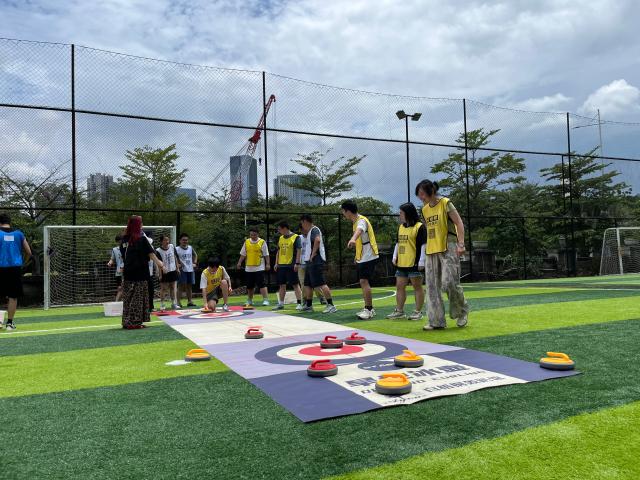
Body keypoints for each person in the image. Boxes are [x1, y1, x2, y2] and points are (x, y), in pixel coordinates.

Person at [415, 179, 469, 330]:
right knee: (432, 286)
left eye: (422, 194)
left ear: (431, 191)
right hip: (431, 250)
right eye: (419, 194)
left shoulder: (446, 203)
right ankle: (436, 321)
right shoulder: (425, 210)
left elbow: (459, 223)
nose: (420, 197)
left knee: (449, 282)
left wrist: (461, 243)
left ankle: (462, 312)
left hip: (448, 246)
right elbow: (429, 230)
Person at [121, 216, 164, 329]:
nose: (142, 225)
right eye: (141, 223)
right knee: (138, 298)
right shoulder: (141, 239)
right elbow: (151, 253)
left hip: (128, 273)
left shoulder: (124, 239)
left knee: (128, 298)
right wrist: (159, 263)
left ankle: (127, 321)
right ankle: (134, 323)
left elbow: (123, 255)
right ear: (138, 225)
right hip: (140, 273)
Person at [387, 203, 427, 321]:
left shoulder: (420, 227)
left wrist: (422, 261)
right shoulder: (401, 227)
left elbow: (424, 244)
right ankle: (399, 311)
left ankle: (417, 312)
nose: (399, 215)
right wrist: (394, 256)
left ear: (408, 213)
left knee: (417, 287)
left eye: (401, 213)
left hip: (414, 263)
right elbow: (398, 243)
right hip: (402, 263)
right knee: (399, 287)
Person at [342, 200, 379, 320]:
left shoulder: (361, 220)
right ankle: (368, 308)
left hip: (368, 256)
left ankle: (369, 309)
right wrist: (357, 256)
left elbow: (359, 231)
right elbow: (360, 241)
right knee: (363, 282)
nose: (343, 214)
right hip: (363, 256)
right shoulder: (356, 222)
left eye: (343, 211)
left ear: (348, 211)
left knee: (364, 281)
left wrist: (352, 239)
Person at [0, 213, 32, 330]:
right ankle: (9, 323)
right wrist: (23, 262)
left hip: (1, 267)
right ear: (9, 222)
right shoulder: (19, 234)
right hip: (15, 268)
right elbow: (29, 252)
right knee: (13, 296)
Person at [299, 214, 336, 314]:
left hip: (316, 260)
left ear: (305, 221)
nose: (302, 225)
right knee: (307, 284)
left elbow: (318, 240)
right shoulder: (310, 231)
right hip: (310, 261)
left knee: (321, 283)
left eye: (302, 223)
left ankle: (331, 305)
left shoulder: (314, 229)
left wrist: (313, 254)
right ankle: (309, 305)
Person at [272, 220, 303, 311]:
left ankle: (299, 303)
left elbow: (299, 250)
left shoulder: (296, 237)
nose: (279, 231)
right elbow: (279, 251)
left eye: (279, 229)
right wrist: (276, 263)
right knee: (282, 285)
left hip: (291, 265)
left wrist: (297, 263)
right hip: (281, 265)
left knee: (295, 284)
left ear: (285, 228)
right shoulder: (281, 238)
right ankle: (281, 304)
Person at [237, 228, 270, 307]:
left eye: (254, 235)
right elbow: (243, 254)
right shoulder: (246, 242)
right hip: (249, 268)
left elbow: (266, 254)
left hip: (259, 267)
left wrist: (268, 264)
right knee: (249, 286)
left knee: (262, 284)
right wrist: (239, 262)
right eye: (251, 235)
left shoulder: (262, 242)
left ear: (258, 234)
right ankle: (250, 300)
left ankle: (265, 300)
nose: (253, 236)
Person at [298, 226, 326, 306]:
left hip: (310, 262)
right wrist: (297, 262)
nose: (304, 231)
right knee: (304, 284)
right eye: (302, 230)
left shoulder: (312, 233)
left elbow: (317, 241)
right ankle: (306, 301)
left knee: (316, 282)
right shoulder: (299, 238)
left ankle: (322, 298)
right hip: (302, 262)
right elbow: (298, 250)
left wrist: (312, 255)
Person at [156, 235, 181, 311]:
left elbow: (175, 257)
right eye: (165, 240)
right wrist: (160, 274)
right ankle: (162, 304)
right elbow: (159, 263)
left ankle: (174, 303)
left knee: (173, 287)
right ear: (161, 241)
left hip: (173, 270)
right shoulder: (158, 251)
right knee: (163, 288)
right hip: (164, 271)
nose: (167, 241)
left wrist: (177, 268)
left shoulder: (172, 246)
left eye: (168, 240)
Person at [176, 233, 198, 307]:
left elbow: (195, 255)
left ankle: (190, 301)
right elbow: (174, 257)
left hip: (190, 269)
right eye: (183, 240)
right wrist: (177, 264)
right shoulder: (177, 249)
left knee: (189, 286)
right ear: (180, 241)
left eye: (186, 240)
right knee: (181, 286)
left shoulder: (190, 248)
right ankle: (178, 302)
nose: (185, 241)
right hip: (182, 270)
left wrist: (194, 263)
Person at [107, 234, 125, 301]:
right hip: (119, 272)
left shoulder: (127, 247)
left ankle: (120, 302)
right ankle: (117, 302)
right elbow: (112, 259)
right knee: (120, 288)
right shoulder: (115, 249)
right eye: (119, 241)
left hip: (127, 270)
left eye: (121, 240)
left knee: (125, 287)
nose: (120, 242)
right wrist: (110, 263)